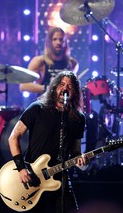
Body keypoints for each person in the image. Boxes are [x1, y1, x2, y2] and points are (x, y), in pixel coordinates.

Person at [8, 70, 87, 213]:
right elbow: (13, 137)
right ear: (55, 87)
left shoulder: (78, 118)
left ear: (75, 91)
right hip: (33, 176)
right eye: (62, 84)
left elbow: (75, 151)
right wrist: (21, 168)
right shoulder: (37, 108)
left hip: (60, 177)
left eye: (70, 86)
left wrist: (80, 158)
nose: (65, 88)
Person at [19, 27, 79, 96]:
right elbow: (24, 86)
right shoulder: (39, 61)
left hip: (65, 104)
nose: (58, 42)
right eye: (55, 39)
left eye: (61, 39)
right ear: (49, 42)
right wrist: (47, 88)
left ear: (65, 42)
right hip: (45, 104)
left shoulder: (72, 63)